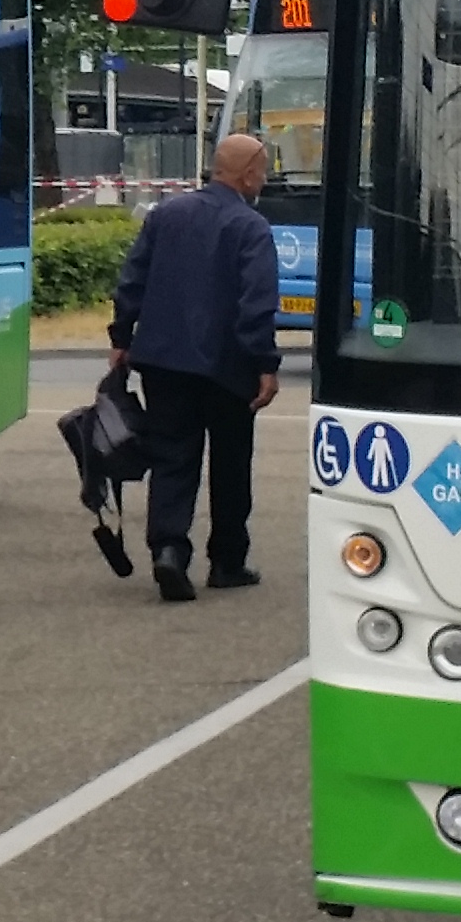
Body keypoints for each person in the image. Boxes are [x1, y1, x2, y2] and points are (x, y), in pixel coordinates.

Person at [107, 133, 279, 604]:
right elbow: (257, 305)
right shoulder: (251, 227)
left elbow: (132, 279)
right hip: (228, 366)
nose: (262, 180)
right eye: (261, 171)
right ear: (246, 174)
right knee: (230, 464)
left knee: (172, 458)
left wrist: (122, 338)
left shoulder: (167, 215)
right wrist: (265, 364)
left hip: (163, 361)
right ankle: (226, 561)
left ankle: (168, 550)